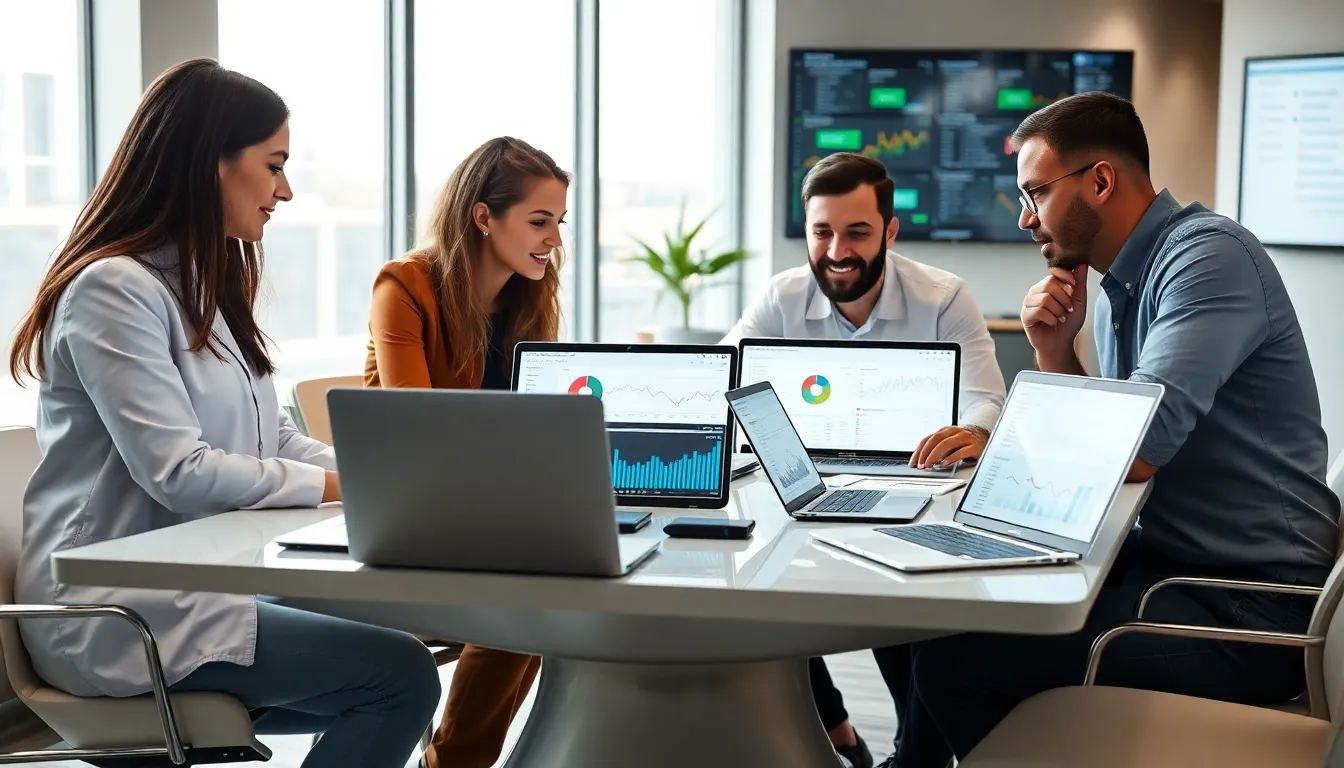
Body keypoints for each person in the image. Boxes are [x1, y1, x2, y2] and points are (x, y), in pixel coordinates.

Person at [9, 59, 440, 768]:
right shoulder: (113, 291)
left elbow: (275, 439)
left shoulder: (205, 286)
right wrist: (347, 488)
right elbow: (178, 472)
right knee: (398, 677)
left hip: (190, 595)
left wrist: (382, 477)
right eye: (273, 165)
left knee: (393, 638)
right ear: (211, 162)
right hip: (114, 616)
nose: (286, 189)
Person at [891, 91, 1340, 768]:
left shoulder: (1207, 258)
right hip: (1170, 572)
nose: (1024, 217)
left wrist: (1004, 441)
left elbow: (1133, 453)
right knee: (944, 622)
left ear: (1100, 180)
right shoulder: (1116, 288)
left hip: (1248, 610)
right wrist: (1053, 351)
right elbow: (1107, 458)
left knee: (958, 667)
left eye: (1034, 192)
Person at [723, 151, 1008, 768]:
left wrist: (976, 430)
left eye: (856, 232)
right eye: (822, 232)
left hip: (912, 488)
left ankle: (914, 755)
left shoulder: (942, 298)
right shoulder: (783, 297)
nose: (836, 250)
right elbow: (726, 375)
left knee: (903, 599)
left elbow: (987, 397)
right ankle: (835, 730)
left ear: (890, 232)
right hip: (807, 490)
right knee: (760, 588)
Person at [365, 136, 567, 768]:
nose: (554, 240)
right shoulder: (405, 285)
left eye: (558, 223)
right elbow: (423, 434)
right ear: (484, 216)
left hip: (484, 515)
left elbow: (532, 422)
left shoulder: (530, 295)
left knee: (563, 581)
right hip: (407, 515)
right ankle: (455, 762)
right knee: (533, 595)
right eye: (539, 222)